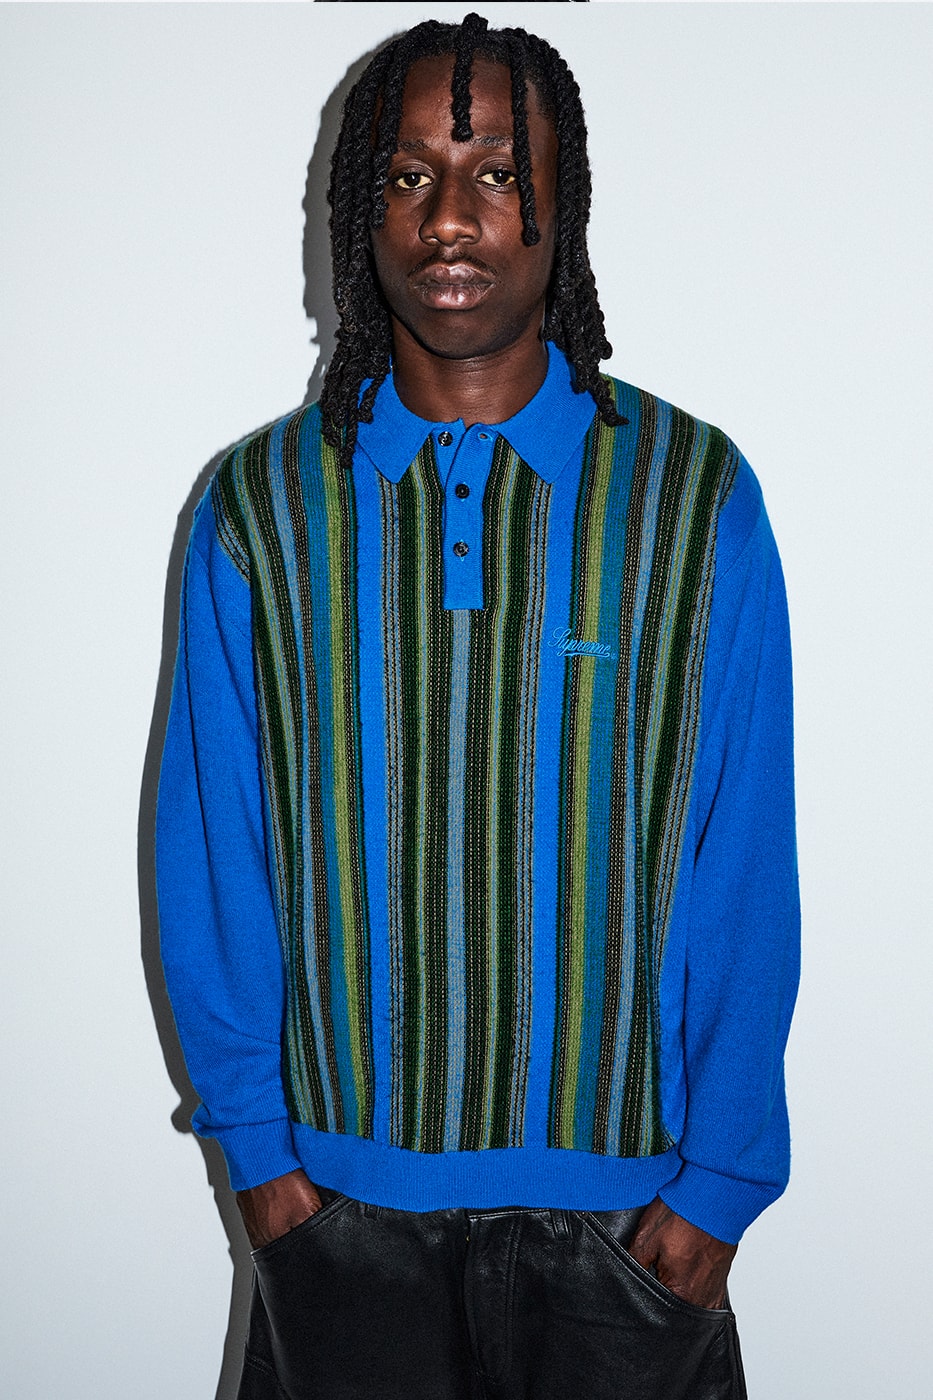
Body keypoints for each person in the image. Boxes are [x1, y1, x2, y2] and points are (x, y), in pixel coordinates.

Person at [156, 14, 799, 1399]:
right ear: (359, 207)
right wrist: (262, 1165)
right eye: (407, 175)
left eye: (498, 171)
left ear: (565, 203)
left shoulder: (691, 499)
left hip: (630, 1226)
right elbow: (215, 853)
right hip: (338, 1214)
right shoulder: (261, 509)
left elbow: (742, 855)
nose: (449, 217)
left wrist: (719, 1190)